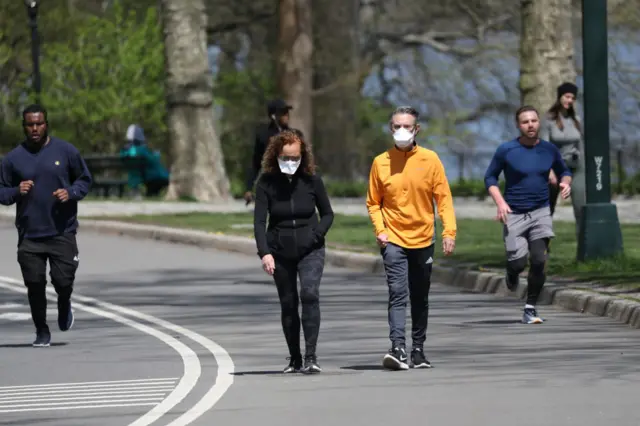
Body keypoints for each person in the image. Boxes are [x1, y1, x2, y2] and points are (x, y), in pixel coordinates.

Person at [366, 106, 457, 371]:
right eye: (397, 126)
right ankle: (397, 348)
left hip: (423, 239)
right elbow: (373, 202)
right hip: (393, 238)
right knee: (397, 293)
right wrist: (380, 230)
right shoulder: (380, 162)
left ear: (417, 130)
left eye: (407, 126)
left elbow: (444, 199)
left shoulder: (431, 160)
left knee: (420, 295)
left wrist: (448, 231)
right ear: (390, 129)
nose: (402, 131)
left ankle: (418, 349)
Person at [0, 104, 93, 347]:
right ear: (24, 126)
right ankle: (42, 330)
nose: (34, 128)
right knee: (34, 285)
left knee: (63, 281)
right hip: (30, 233)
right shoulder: (13, 159)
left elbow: (84, 179)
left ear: (46, 124)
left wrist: (71, 192)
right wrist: (15, 191)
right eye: (30, 124)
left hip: (62, 230)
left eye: (39, 123)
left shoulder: (66, 151)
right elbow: (1, 191)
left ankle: (64, 303)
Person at [253, 129, 334, 374]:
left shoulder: (312, 181)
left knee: (309, 294)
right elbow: (259, 222)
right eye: (286, 157)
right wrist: (265, 252)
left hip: (311, 249)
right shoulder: (266, 183)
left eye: (295, 158)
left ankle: (311, 356)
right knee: (288, 303)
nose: (291, 163)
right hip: (280, 250)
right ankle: (295, 358)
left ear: (303, 156)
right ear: (276, 155)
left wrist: (316, 235)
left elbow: (328, 214)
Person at [484, 105, 572, 325]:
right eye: (525, 122)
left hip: (540, 211)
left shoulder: (549, 150)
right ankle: (511, 273)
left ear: (539, 122)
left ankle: (530, 308)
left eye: (534, 120)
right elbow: (490, 178)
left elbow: (565, 170)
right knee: (517, 262)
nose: (530, 125)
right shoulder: (507, 150)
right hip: (514, 213)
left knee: (540, 259)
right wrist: (501, 203)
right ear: (518, 125)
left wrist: (565, 183)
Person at [540, 82, 585, 239]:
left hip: (576, 168)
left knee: (581, 208)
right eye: (567, 96)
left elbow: (581, 146)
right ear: (560, 97)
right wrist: (549, 170)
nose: (570, 100)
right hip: (556, 168)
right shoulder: (549, 120)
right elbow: (544, 147)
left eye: (572, 97)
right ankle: (542, 247)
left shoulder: (576, 120)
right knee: (548, 208)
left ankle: (583, 248)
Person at [244, 99, 293, 205]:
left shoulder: (294, 135)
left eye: (287, 112)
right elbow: (255, 163)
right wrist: (248, 188)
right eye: (283, 112)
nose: (287, 115)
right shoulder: (263, 136)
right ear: (273, 116)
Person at [120, 124, 170, 198]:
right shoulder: (141, 149)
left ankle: (148, 194)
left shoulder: (124, 151)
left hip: (134, 177)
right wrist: (156, 155)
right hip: (149, 177)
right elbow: (152, 160)